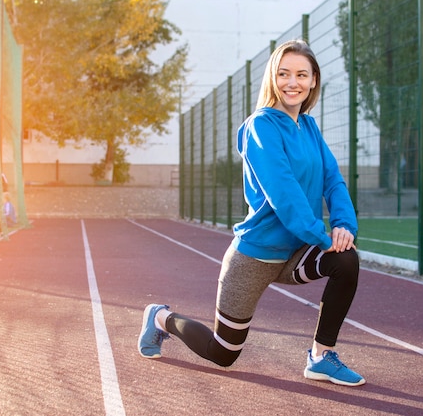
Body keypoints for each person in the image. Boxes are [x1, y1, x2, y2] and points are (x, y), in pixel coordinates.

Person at [138, 39, 365, 387]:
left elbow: (333, 180)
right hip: (255, 255)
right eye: (284, 73)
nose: (293, 82)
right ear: (273, 78)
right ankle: (160, 318)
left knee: (346, 259)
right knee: (223, 353)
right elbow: (284, 195)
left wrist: (344, 226)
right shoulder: (261, 126)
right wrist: (323, 237)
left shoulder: (310, 128)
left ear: (314, 80)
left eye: (301, 74)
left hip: (296, 252)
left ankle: (320, 357)